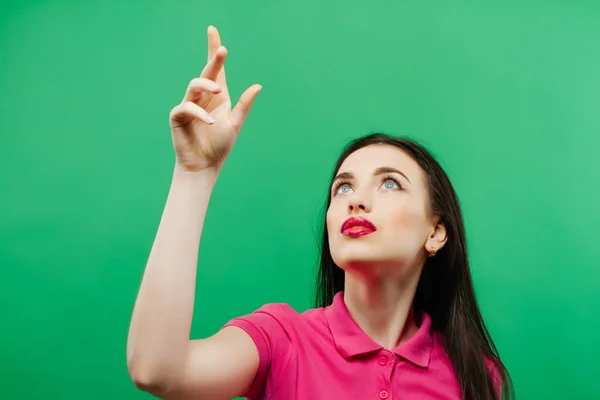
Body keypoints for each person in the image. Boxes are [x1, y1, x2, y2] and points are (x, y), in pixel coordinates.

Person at [126, 25, 514, 400]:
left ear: (437, 232)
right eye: (343, 187)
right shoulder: (281, 340)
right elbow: (156, 371)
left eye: (390, 183)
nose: (355, 200)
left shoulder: (478, 374)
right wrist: (195, 173)